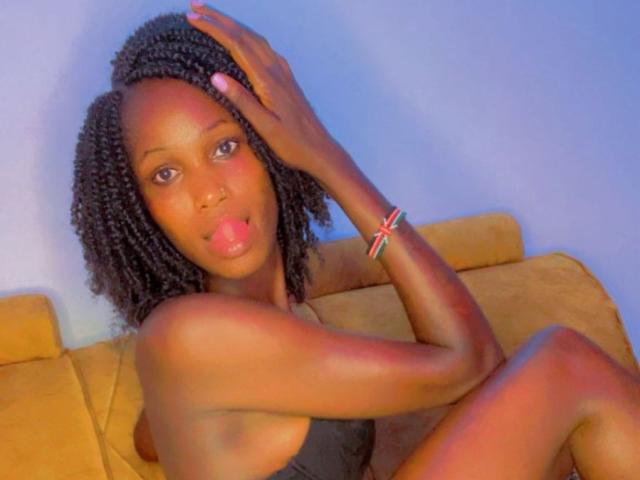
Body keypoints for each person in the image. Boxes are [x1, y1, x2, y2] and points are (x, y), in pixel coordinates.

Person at [70, 3, 640, 479]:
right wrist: (326, 156)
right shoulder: (188, 335)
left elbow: (150, 439)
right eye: (165, 174)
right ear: (136, 208)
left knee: (559, 428)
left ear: (268, 144)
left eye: (225, 146)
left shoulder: (234, 338)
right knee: (567, 365)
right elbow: (471, 361)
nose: (208, 192)